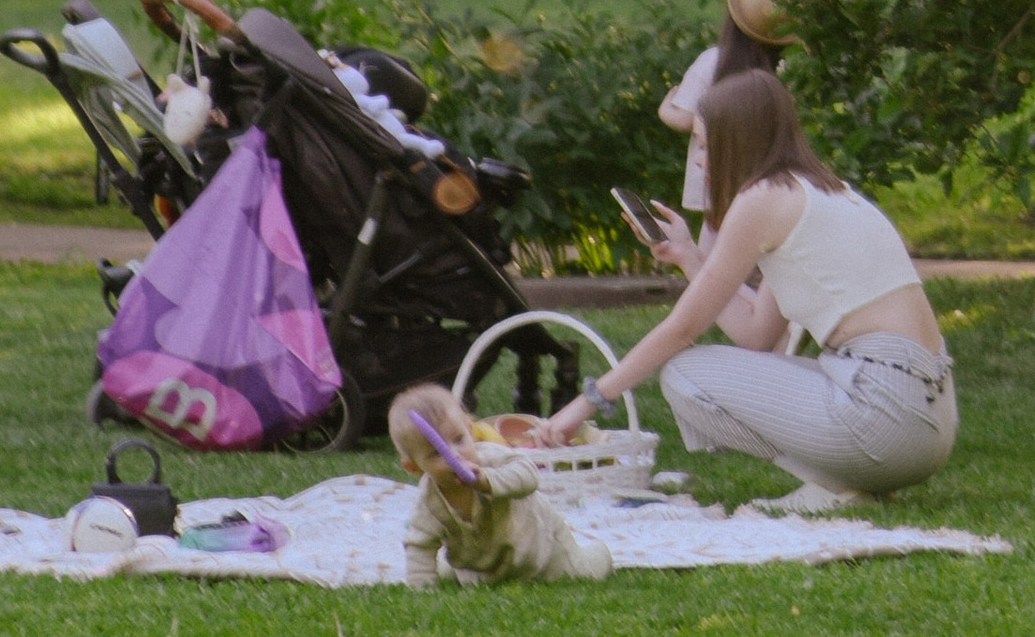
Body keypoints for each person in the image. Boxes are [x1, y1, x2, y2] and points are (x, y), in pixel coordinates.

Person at [539, 70, 956, 513]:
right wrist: (686, 255)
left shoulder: (762, 199)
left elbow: (681, 330)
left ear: (736, 140)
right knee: (704, 366)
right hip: (926, 422)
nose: (698, 160)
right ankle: (853, 482)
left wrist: (584, 404)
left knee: (684, 372)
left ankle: (832, 485)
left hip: (886, 414)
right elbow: (756, 334)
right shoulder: (818, 191)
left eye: (703, 144)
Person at [389, 383, 613, 587]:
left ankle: (600, 553)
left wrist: (487, 481)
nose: (454, 456)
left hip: (542, 550)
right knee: (454, 572)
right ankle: (451, 566)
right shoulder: (429, 500)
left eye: (459, 439)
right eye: (437, 453)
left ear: (470, 431)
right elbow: (419, 545)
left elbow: (528, 477)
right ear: (414, 467)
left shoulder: (492, 458)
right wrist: (423, 590)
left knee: (582, 572)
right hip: (484, 567)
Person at [656, 0, 794, 214]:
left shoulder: (713, 62)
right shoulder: (789, 69)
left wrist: (665, 110)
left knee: (714, 246)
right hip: (769, 181)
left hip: (716, 181)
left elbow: (687, 120)